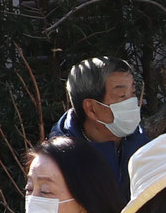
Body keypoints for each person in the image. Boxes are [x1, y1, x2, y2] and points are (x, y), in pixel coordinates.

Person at [48, 57, 148, 188]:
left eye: (133, 93)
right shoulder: (59, 162)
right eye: (122, 96)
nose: (132, 102)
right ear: (91, 108)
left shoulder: (145, 148)